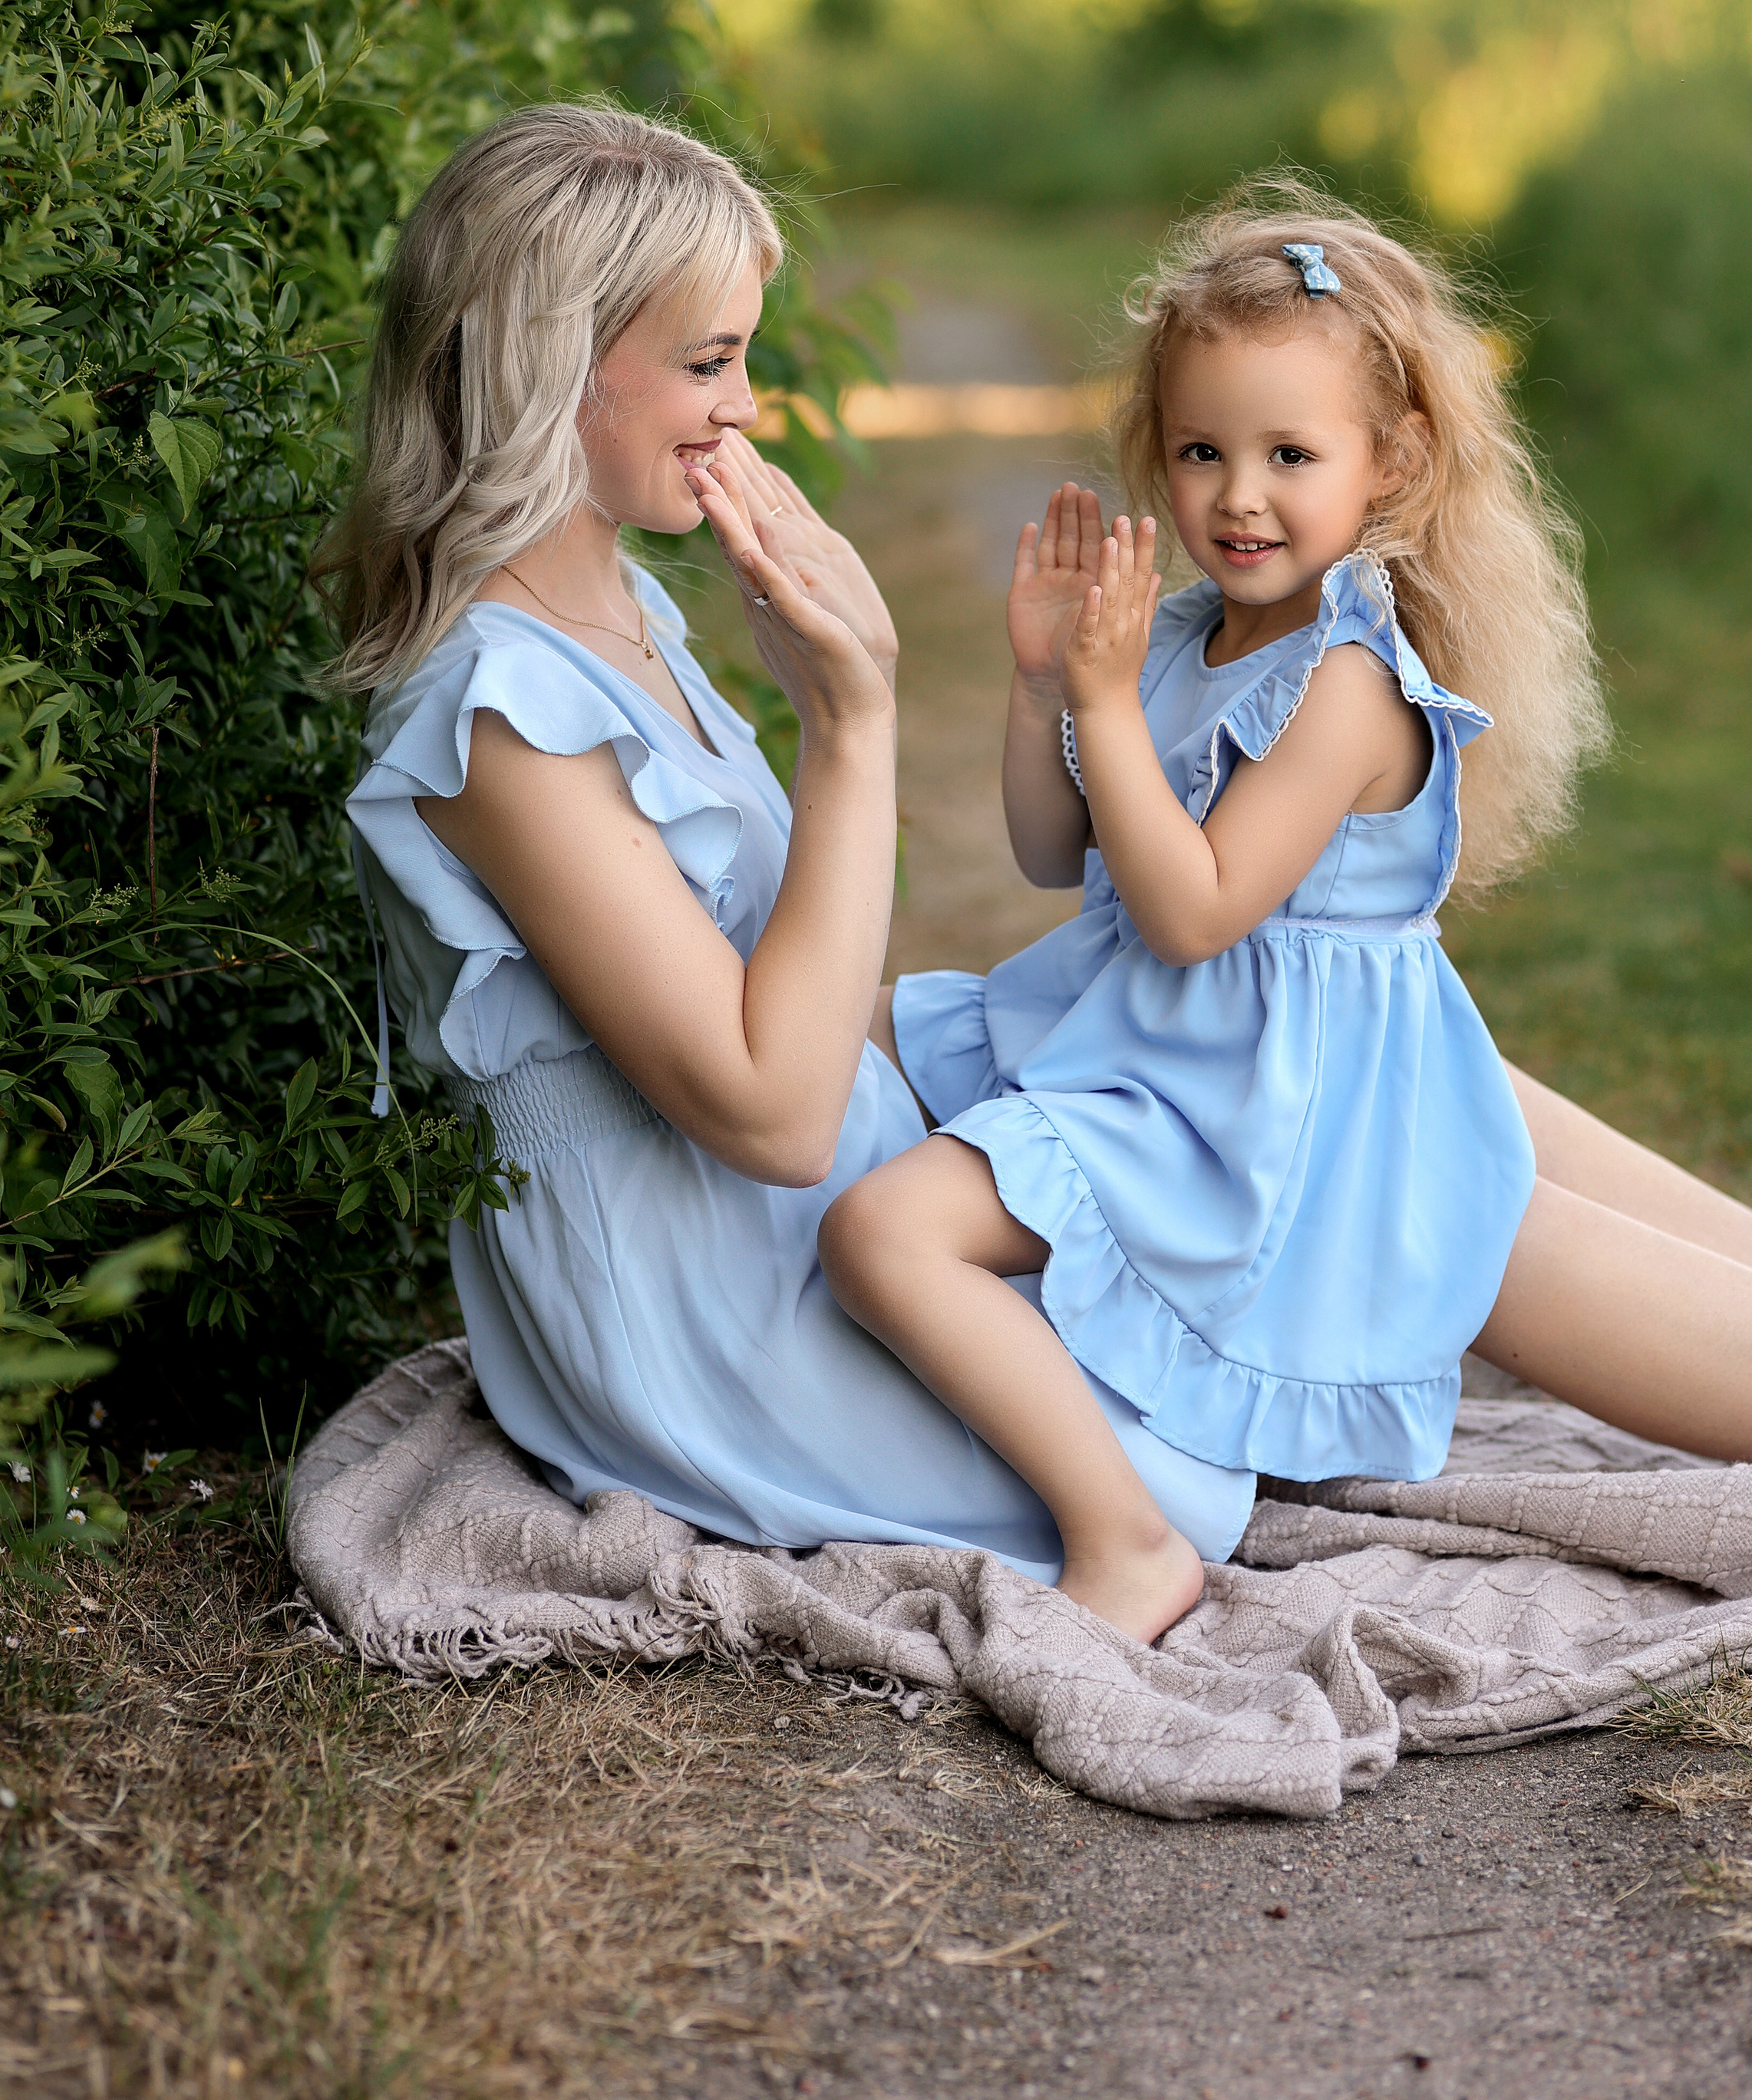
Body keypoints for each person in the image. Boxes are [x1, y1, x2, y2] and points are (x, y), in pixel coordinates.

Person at [817, 187, 1752, 1644]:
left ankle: (1128, 1540)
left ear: (1389, 462)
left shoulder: (1349, 682)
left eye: (1289, 454)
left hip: (1297, 1112)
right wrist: (1046, 688)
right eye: (1203, 451)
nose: (1238, 497)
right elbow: (1050, 850)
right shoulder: (1175, 636)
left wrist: (1098, 706)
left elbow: (1198, 910)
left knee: (888, 1229)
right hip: (1182, 1067)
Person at [324, 102, 1260, 1587]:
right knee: (1286, 1175)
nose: (745, 406)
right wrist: (853, 724)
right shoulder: (495, 710)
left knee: (1320, 1057)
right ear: (551, 366)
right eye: (709, 362)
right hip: (724, 1306)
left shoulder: (625, 610)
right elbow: (775, 1112)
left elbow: (793, 994)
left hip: (806, 1232)